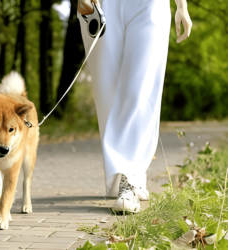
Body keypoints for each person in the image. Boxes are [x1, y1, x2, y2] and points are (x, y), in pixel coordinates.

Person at [77, 0, 192, 213]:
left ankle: (128, 178)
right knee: (106, 92)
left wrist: (182, 5)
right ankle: (124, 176)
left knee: (139, 88)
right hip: (102, 4)